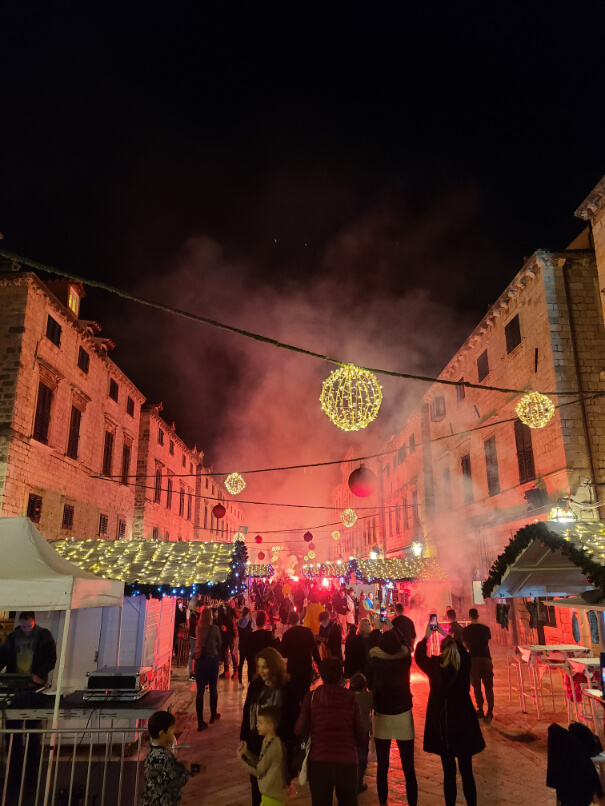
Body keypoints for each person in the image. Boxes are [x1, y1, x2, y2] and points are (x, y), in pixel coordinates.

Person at [415, 621, 485, 806]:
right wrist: (445, 635)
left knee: (449, 773)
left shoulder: (436, 666)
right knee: (467, 771)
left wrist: (427, 635)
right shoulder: (464, 664)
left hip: (444, 726)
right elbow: (460, 648)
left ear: (442, 651)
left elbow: (419, 656)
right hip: (464, 722)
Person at [295, 656, 365, 806]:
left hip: (319, 760)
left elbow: (299, 729)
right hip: (347, 760)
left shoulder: (311, 697)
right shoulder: (350, 698)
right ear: (341, 675)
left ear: (321, 674)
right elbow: (361, 733)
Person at [0, 611, 57, 789]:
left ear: (34, 622)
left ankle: (30, 775)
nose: (25, 629)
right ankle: (15, 774)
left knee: (33, 736)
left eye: (28, 626)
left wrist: (39, 676)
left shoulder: (44, 635)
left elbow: (50, 658)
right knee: (14, 735)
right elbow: (2, 658)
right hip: (17, 687)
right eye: (23, 626)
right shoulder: (12, 637)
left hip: (34, 686)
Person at [240, 648, 299, 806]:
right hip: (255, 745)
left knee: (271, 792)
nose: (262, 671)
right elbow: (247, 713)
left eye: (265, 667)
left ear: (275, 666)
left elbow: (294, 719)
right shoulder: (256, 686)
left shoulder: (287, 688)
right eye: (259, 667)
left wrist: (291, 748)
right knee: (256, 789)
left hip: (276, 748)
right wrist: (244, 738)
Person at [368, 630, 417, 806]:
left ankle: (383, 803)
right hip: (403, 711)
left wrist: (377, 630)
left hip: (382, 714)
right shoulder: (404, 660)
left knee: (382, 766)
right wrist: (395, 629)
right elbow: (407, 646)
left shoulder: (375, 661)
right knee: (409, 768)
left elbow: (370, 643)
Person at [239, 704, 289, 806]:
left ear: (270, 726)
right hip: (269, 794)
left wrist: (241, 760)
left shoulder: (274, 746)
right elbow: (261, 761)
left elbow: (259, 770)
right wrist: (247, 754)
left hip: (273, 798)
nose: (257, 726)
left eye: (260, 723)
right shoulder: (268, 741)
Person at [143, 710, 192, 806]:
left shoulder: (153, 753)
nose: (174, 731)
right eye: (172, 728)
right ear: (162, 733)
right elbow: (174, 781)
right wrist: (185, 770)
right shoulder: (162, 757)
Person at [280, 610, 321, 706]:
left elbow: (283, 654)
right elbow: (314, 649)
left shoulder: (287, 635)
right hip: (306, 666)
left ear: (289, 621)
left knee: (294, 695)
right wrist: (320, 664)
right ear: (299, 619)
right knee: (305, 693)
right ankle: (305, 714)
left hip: (293, 668)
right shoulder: (307, 632)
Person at [462, 608, 494, 720]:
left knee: (476, 686)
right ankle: (490, 711)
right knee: (488, 686)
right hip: (486, 658)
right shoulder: (486, 629)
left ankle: (480, 709)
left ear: (470, 617)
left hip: (473, 659)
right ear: (478, 616)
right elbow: (487, 642)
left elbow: (465, 646)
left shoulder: (466, 631)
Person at [193, 607, 222, 730]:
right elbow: (219, 643)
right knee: (213, 688)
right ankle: (212, 715)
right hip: (211, 661)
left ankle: (200, 722)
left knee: (200, 691)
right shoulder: (214, 629)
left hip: (199, 662)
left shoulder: (198, 628)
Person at [349, 672, 372, 794]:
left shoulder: (349, 697)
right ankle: (359, 782)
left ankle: (351, 782)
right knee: (363, 757)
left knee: (352, 757)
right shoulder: (368, 696)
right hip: (364, 730)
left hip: (351, 730)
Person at [217, 600, 238, 679]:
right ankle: (226, 671)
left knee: (233, 652)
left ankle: (236, 670)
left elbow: (237, 615)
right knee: (225, 652)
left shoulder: (231, 608)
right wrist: (221, 625)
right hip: (224, 633)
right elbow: (218, 620)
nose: (225, 601)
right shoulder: (219, 608)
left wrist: (233, 607)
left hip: (232, 632)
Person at [237, 607, 254, 686]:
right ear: (248, 613)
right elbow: (253, 628)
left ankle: (240, 682)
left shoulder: (239, 623)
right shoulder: (250, 622)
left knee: (241, 663)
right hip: (249, 645)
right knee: (250, 664)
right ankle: (249, 681)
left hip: (241, 645)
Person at [188, 601, 201, 681]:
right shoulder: (193, 615)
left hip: (197, 637)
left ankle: (195, 671)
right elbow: (195, 624)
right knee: (193, 655)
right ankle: (192, 673)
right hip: (193, 638)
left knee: (196, 655)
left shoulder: (198, 614)